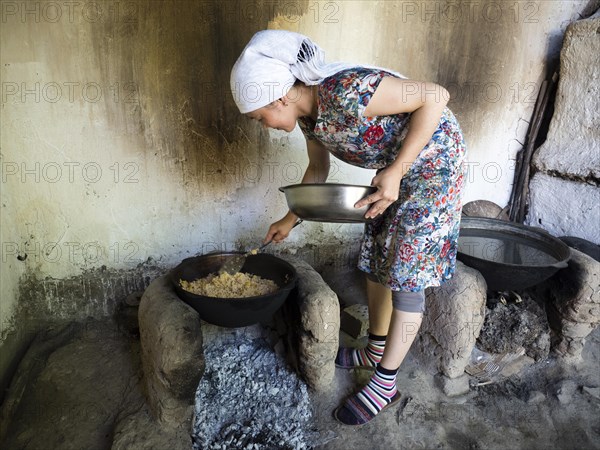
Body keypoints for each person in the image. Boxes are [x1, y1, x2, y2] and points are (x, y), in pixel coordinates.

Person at [230, 30, 467, 426]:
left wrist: (396, 170)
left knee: (408, 275)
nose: (264, 125)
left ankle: (385, 382)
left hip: (433, 167)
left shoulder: (346, 91)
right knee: (376, 258)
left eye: (259, 117)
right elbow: (318, 169)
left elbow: (436, 97)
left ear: (279, 96)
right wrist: (289, 220)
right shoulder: (310, 120)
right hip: (395, 173)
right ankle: (375, 349)